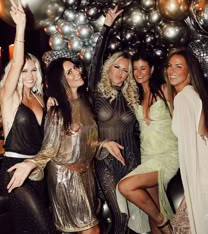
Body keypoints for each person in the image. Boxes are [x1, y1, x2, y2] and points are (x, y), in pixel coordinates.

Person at [6, 56, 126, 234]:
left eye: (76, 68)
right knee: (91, 230)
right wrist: (31, 163)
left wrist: (103, 143)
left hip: (86, 177)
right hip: (65, 178)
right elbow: (49, 147)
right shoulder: (58, 112)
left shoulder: (85, 103)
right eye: (70, 72)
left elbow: (85, 141)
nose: (77, 71)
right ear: (62, 80)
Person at [0, 0, 56, 233]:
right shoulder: (8, 96)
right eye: (24, 71)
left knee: (27, 229)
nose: (30, 75)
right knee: (44, 229)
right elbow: (17, 62)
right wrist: (20, 27)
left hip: (39, 168)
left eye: (34, 70)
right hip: (14, 168)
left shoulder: (41, 99)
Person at [166, 48, 208, 234]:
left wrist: (191, 187)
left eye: (178, 66)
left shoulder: (183, 98)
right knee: (195, 222)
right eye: (170, 66)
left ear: (189, 71)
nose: (171, 70)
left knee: (188, 224)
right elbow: (200, 131)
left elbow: (189, 147)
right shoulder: (190, 93)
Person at [88, 6, 141, 234]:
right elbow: (95, 59)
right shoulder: (96, 91)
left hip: (131, 161)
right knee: (120, 217)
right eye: (117, 67)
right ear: (109, 68)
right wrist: (106, 27)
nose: (120, 73)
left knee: (130, 222)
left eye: (125, 71)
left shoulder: (132, 97)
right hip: (105, 161)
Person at [116, 50, 179, 234]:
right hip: (147, 156)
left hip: (167, 156)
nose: (138, 73)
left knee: (125, 186)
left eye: (143, 68)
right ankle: (161, 222)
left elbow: (185, 115)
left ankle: (163, 222)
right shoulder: (134, 95)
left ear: (151, 70)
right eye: (135, 69)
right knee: (153, 210)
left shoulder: (165, 89)